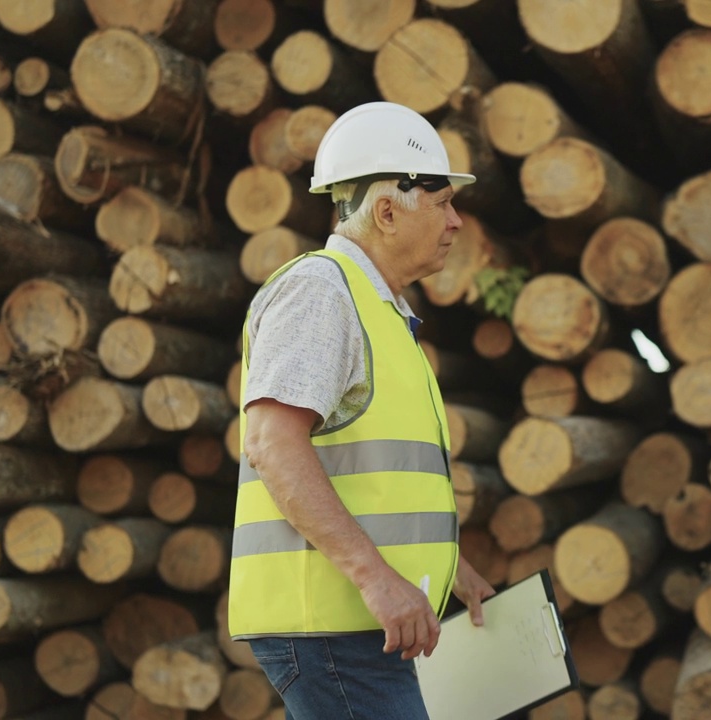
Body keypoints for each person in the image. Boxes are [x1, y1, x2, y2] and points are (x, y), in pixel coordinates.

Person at [228, 101, 496, 720]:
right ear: (385, 210)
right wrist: (377, 578)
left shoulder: (376, 308)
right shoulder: (323, 291)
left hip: (355, 627)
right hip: (334, 628)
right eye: (442, 201)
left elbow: (373, 475)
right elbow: (272, 445)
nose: (456, 220)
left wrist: (451, 566)